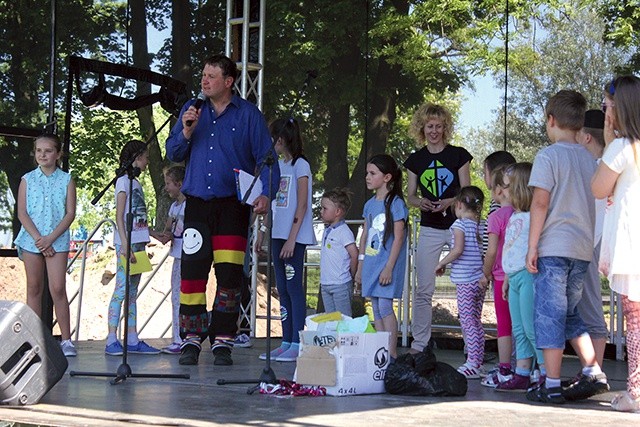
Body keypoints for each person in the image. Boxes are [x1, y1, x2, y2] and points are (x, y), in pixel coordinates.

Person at [166, 54, 278, 366]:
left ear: (228, 82)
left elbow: (268, 159)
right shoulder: (193, 111)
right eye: (203, 75)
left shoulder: (248, 115)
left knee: (229, 275)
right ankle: (190, 338)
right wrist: (187, 130)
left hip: (233, 205)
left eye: (212, 76)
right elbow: (173, 151)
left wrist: (266, 194)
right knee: (192, 273)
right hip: (198, 206)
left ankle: (223, 340)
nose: (204, 81)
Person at [525, 90, 608, 404]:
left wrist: (532, 246)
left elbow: (540, 202)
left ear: (551, 120)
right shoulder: (590, 160)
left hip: (554, 248)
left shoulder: (548, 156)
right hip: (582, 250)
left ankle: (553, 383)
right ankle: (592, 368)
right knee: (571, 314)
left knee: (548, 316)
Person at [404, 103, 472, 354]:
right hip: (430, 227)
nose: (434, 131)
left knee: (467, 286)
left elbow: (468, 193)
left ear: (446, 128)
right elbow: (410, 195)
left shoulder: (459, 155)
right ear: (422, 128)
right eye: (429, 126)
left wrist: (451, 202)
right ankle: (420, 343)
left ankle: (471, 344)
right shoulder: (415, 160)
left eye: (439, 126)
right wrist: (419, 201)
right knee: (423, 290)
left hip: (458, 225)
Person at [592, 76, 640, 412]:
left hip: (631, 245)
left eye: (607, 106)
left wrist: (609, 137)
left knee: (635, 320)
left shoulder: (623, 148)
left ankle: (636, 393)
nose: (604, 111)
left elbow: (598, 187)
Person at [255, 118, 315, 362]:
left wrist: (292, 239)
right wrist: (262, 231)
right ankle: (286, 340)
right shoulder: (278, 165)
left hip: (294, 237)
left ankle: (298, 342)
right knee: (281, 288)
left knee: (293, 287)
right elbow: (273, 203)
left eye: (274, 138)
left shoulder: (301, 165)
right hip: (277, 234)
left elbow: (301, 203)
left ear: (282, 138)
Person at [14, 134, 77, 357]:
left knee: (58, 288)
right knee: (34, 288)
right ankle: (33, 339)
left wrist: (50, 239)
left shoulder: (67, 180)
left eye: (48, 151)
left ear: (58, 154)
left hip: (56, 241)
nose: (42, 154)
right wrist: (40, 240)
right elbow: (22, 212)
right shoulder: (27, 179)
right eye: (39, 151)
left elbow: (70, 213)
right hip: (32, 240)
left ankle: (67, 340)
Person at [105, 140, 161, 356]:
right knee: (121, 289)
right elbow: (119, 216)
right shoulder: (123, 182)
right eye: (145, 157)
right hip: (126, 245)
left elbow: (138, 217)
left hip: (138, 243)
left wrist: (153, 234)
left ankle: (132, 337)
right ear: (136, 158)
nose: (147, 162)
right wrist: (125, 246)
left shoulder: (136, 183)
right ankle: (111, 338)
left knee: (132, 292)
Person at [495, 162, 547, 392]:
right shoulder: (515, 216)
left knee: (529, 327)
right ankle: (522, 372)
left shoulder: (532, 217)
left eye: (507, 187)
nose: (503, 192)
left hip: (527, 276)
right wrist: (506, 277)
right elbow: (510, 249)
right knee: (518, 328)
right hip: (514, 277)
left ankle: (546, 371)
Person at [355, 154, 408, 361]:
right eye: (367, 173)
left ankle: (391, 351)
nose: (368, 177)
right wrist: (360, 266)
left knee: (385, 305)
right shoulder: (369, 205)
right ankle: (382, 351)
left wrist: (389, 266)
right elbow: (365, 235)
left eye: (372, 173)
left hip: (387, 264)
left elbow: (399, 236)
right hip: (371, 262)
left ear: (387, 177)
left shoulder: (395, 203)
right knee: (375, 306)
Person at [435, 186, 486, 378]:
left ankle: (472, 361)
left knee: (467, 322)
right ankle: (478, 361)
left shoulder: (459, 225)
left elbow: (457, 250)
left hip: (465, 281)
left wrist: (441, 263)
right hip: (479, 280)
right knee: (476, 321)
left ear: (458, 205)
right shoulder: (481, 225)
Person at [573, 109, 608, 372]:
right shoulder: (605, 166)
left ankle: (594, 371)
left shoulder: (597, 168)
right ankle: (592, 370)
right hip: (594, 242)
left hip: (590, 243)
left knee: (588, 308)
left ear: (586, 138)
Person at [479, 164, 514, 387]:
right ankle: (527, 368)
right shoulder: (524, 215)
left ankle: (504, 370)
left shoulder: (496, 217)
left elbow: (491, 251)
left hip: (501, 276)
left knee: (503, 325)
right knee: (521, 325)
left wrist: (485, 272)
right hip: (521, 275)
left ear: (498, 191)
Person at [159, 165, 186, 355]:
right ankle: (178, 337)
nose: (167, 188)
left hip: (188, 256)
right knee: (176, 296)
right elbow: (166, 234)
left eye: (169, 183)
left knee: (182, 296)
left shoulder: (189, 205)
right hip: (177, 255)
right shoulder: (174, 207)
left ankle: (182, 338)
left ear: (180, 184)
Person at [319, 188, 358, 316]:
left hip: (340, 283)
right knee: (331, 320)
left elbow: (354, 254)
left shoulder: (344, 232)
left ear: (337, 212)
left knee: (344, 319)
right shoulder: (327, 229)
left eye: (325, 209)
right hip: (326, 283)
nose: (321, 212)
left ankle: (345, 337)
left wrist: (351, 274)